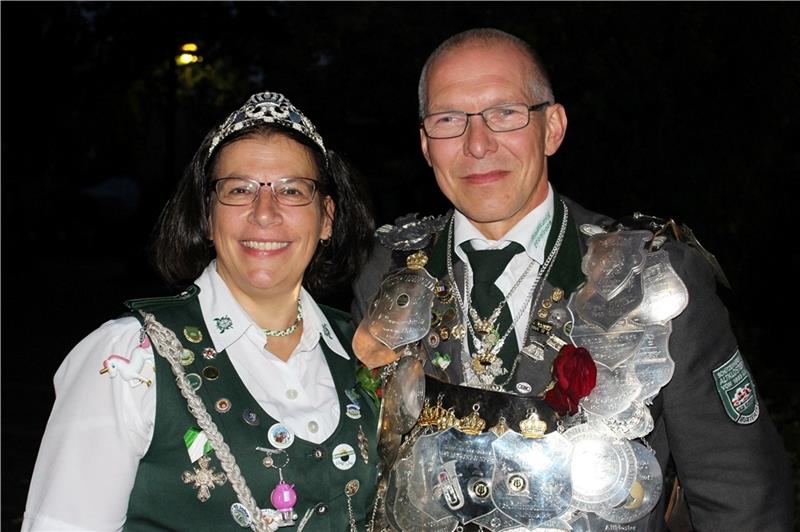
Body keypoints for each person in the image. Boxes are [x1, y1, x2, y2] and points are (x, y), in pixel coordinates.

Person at [352, 29, 793, 531]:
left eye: (505, 113)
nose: (477, 144)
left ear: (552, 127)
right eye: (450, 119)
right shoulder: (386, 274)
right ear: (427, 144)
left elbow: (739, 491)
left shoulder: (652, 278)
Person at [23, 91, 379, 531]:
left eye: (292, 190)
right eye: (238, 190)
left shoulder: (364, 351)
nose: (264, 213)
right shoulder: (130, 361)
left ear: (326, 217)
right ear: (208, 217)